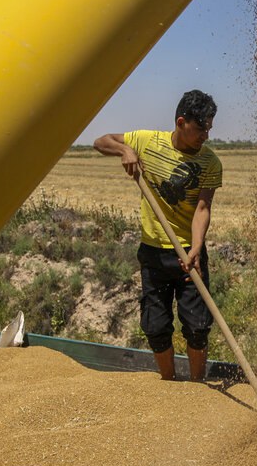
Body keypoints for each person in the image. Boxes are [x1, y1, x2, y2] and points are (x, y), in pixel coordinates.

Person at [93, 90, 223, 381]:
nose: (206, 136)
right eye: (201, 128)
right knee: (155, 326)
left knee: (197, 325)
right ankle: (168, 384)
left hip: (189, 252)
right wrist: (124, 151)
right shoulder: (146, 140)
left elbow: (202, 208)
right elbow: (100, 141)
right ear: (181, 122)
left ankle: (197, 385)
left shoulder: (210, 162)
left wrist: (196, 249)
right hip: (153, 252)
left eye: (209, 129)